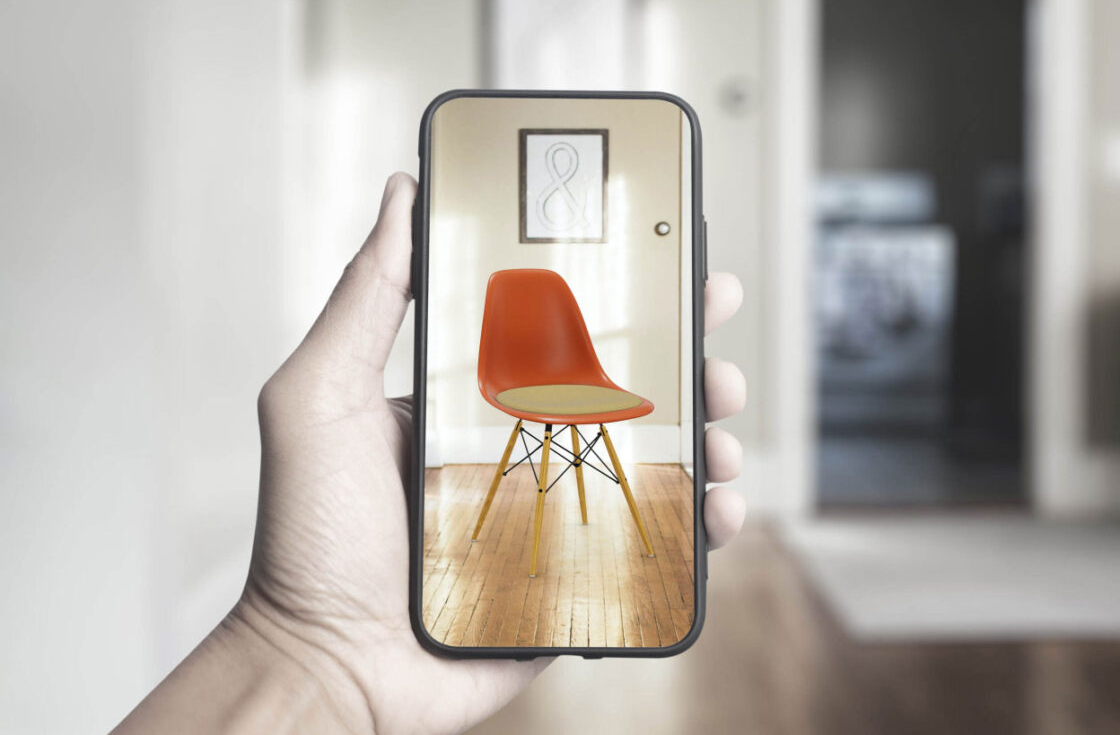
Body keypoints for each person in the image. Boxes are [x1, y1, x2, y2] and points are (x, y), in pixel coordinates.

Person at [114, 174, 748, 734]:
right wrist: (308, 646)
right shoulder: (507, 318)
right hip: (509, 383)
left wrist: (303, 657)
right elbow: (499, 369)